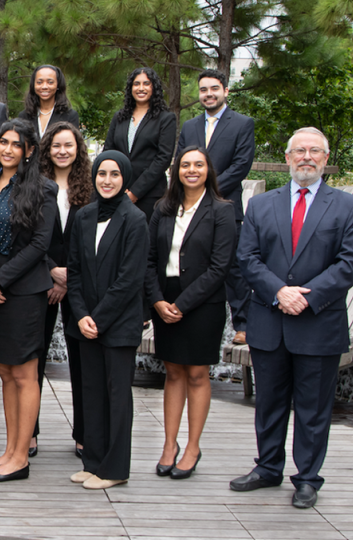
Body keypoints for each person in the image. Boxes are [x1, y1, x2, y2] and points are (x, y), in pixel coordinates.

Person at [230, 127, 353, 509]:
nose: (307, 157)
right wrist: (279, 292)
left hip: (318, 324)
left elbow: (350, 263)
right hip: (269, 322)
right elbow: (247, 258)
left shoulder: (348, 207)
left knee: (313, 408)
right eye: (299, 151)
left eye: (315, 151)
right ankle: (267, 468)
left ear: (326, 159)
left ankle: (307, 478)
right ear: (287, 157)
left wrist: (306, 297)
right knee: (269, 403)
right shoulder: (261, 205)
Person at [0, 119, 56, 482]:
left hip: (22, 293)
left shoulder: (43, 189)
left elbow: (39, 245)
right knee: (5, 373)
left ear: (29, 150)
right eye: (3, 142)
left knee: (24, 374)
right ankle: (9, 450)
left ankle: (20, 458)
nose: (7, 149)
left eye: (16, 144)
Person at [146, 147, 236, 480]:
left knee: (197, 374)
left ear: (208, 170)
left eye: (198, 164)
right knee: (173, 373)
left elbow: (219, 267)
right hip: (164, 302)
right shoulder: (163, 209)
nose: (192, 170)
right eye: (185, 165)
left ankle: (192, 448)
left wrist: (182, 304)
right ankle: (169, 445)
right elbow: (148, 259)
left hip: (202, 305)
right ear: (177, 171)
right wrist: (157, 301)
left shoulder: (222, 211)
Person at [66, 150, 149, 490]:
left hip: (118, 325)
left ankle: (115, 469)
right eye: (102, 173)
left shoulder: (135, 220)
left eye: (115, 174)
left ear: (124, 178)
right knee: (92, 393)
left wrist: (97, 318)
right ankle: (94, 462)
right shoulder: (84, 216)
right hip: (86, 324)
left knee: (116, 397)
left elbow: (130, 279)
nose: (107, 180)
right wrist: (81, 315)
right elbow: (73, 271)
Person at [177, 69, 255, 345]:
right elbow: (181, 162)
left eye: (214, 89)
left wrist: (207, 189)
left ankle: (243, 324)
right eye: (203, 90)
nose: (208, 94)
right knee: (191, 262)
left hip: (226, 205)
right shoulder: (189, 126)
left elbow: (241, 165)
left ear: (225, 91)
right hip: (190, 208)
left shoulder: (242, 124)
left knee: (233, 266)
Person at [36, 121, 93, 459]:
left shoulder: (92, 186)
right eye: (56, 145)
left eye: (68, 145)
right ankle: (29, 432)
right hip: (40, 281)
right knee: (34, 358)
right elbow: (27, 234)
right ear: (47, 149)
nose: (62, 151)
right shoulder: (34, 184)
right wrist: (51, 272)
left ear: (78, 149)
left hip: (80, 283)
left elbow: (95, 239)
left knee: (83, 361)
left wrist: (68, 276)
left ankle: (84, 433)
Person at [103, 67, 176, 220]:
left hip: (149, 195)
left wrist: (135, 192)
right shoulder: (119, 117)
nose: (141, 88)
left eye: (146, 84)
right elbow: (108, 152)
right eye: (136, 84)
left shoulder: (166, 118)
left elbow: (163, 158)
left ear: (154, 88)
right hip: (117, 191)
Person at [17, 65, 80, 140]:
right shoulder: (24, 116)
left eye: (50, 82)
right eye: (39, 82)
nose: (44, 86)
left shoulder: (70, 116)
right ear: (33, 85)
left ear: (58, 85)